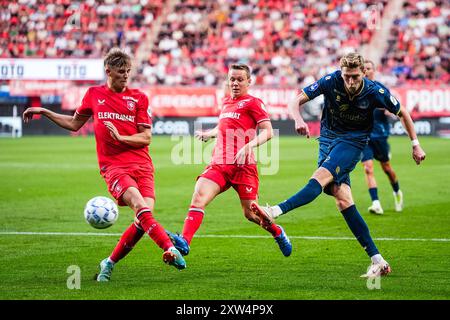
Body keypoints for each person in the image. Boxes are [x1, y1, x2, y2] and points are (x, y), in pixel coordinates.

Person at [250, 52, 426, 278]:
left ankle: (274, 210)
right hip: (327, 139)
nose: (350, 82)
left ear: (363, 73)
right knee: (342, 200)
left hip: (353, 142)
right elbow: (296, 100)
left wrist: (415, 144)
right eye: (346, 77)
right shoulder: (331, 80)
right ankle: (378, 261)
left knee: (320, 177)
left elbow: (404, 113)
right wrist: (298, 118)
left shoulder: (375, 91)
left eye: (354, 76)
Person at [22, 48, 186, 281]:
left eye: (128, 71)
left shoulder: (139, 97)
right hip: (114, 167)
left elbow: (146, 137)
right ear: (108, 71)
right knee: (140, 205)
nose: (126, 75)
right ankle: (169, 248)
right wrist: (44, 111)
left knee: (142, 220)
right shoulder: (93, 94)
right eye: (121, 71)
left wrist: (121, 137)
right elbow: (74, 123)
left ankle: (108, 263)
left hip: (143, 166)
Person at [166, 64, 292, 258]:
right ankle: (185, 242)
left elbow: (268, 132)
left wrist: (249, 146)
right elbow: (224, 125)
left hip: (244, 166)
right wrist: (210, 134)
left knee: (250, 214)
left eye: (240, 79)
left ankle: (277, 232)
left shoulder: (253, 102)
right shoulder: (226, 102)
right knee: (199, 195)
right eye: (232, 79)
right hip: (220, 163)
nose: (235, 83)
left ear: (249, 82)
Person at [360, 60, 403, 214]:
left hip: (380, 135)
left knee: (386, 168)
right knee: (368, 168)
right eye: (363, 68)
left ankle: (397, 192)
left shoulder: (381, 89)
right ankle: (376, 203)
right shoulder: (357, 88)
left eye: (368, 68)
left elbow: (393, 108)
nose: (366, 71)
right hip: (364, 136)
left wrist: (388, 110)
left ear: (374, 70)